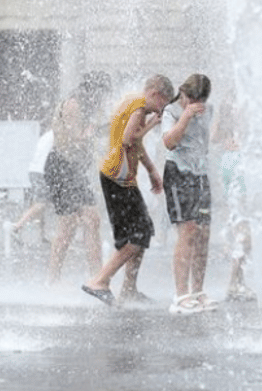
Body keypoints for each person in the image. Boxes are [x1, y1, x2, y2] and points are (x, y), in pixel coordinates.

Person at [81, 74, 173, 306]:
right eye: (163, 103)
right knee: (136, 236)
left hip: (121, 177)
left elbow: (135, 144)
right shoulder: (140, 108)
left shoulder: (131, 100)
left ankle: (129, 289)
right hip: (117, 177)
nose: (162, 110)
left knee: (143, 230)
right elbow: (127, 139)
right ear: (155, 94)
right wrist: (151, 125)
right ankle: (99, 281)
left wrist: (151, 171)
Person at [46, 75, 110, 283]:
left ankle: (97, 277)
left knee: (91, 220)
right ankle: (53, 279)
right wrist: (92, 131)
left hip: (74, 170)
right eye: (102, 94)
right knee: (68, 224)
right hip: (61, 167)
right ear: (93, 91)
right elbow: (73, 138)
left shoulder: (89, 108)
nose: (104, 99)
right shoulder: (73, 105)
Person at [161, 74, 217, 315]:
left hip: (200, 174)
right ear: (182, 92)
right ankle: (180, 295)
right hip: (178, 172)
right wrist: (185, 116)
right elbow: (169, 142)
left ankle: (198, 290)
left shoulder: (209, 110)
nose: (193, 104)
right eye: (189, 99)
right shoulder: (171, 111)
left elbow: (208, 140)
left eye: (198, 101)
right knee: (188, 230)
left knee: (203, 232)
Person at [213, 99, 255, 302]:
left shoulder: (226, 122)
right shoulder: (244, 123)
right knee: (245, 233)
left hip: (229, 164)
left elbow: (213, 138)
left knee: (242, 229)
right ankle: (233, 284)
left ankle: (239, 282)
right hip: (240, 167)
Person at [11, 127, 54, 244]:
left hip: (36, 171)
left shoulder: (47, 135)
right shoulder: (56, 135)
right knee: (41, 203)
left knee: (42, 203)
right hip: (40, 172)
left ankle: (42, 234)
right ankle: (17, 227)